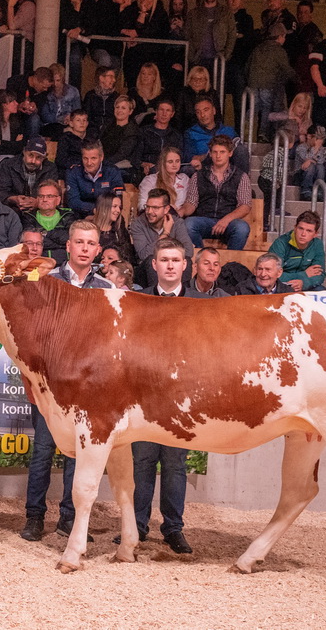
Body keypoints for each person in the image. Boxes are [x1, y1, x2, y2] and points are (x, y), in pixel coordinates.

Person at [20, 220, 112, 542]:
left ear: (97, 249)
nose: (85, 248)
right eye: (80, 242)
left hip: (87, 391)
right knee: (43, 451)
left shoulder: (106, 290)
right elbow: (29, 336)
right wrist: (29, 380)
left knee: (79, 455)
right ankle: (34, 517)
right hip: (49, 387)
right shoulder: (45, 282)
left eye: (91, 243)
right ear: (68, 247)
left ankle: (70, 519)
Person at [126, 238, 197, 555]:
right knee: (140, 463)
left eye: (175, 260)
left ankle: (173, 528)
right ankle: (137, 527)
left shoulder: (200, 307)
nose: (170, 265)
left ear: (184, 265)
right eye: (164, 260)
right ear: (153, 265)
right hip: (144, 398)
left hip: (181, 400)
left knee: (174, 464)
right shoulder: (137, 303)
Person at [181, 135, 251, 250]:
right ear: (210, 153)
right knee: (189, 224)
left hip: (228, 221)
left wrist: (226, 220)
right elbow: (191, 203)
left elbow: (245, 206)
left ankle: (231, 262)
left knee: (242, 228)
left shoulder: (241, 176)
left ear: (230, 153)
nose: (218, 156)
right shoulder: (198, 175)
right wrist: (181, 211)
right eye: (215, 152)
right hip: (204, 219)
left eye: (222, 152)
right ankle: (201, 257)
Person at [131, 186, 194, 282]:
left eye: (155, 208)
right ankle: (156, 296)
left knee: (187, 262)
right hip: (145, 272)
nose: (149, 212)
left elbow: (189, 251)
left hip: (170, 267)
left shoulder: (177, 223)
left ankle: (181, 296)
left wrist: (169, 259)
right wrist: (165, 233)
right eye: (147, 207)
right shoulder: (138, 224)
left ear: (166, 209)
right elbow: (143, 255)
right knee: (151, 261)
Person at [247, 23, 296, 139]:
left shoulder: (258, 48)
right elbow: (286, 69)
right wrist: (296, 79)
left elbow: (248, 65)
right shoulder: (279, 51)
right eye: (284, 36)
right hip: (267, 85)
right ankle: (262, 133)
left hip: (253, 83)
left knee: (253, 107)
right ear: (280, 36)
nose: (285, 39)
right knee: (266, 108)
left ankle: (245, 130)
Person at [185, 0, 236, 75]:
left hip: (219, 60)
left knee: (217, 89)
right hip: (198, 60)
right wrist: (192, 56)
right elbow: (187, 35)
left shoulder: (226, 13)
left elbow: (232, 35)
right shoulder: (193, 14)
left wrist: (225, 55)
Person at [268, 211, 326, 292]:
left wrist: (304, 283)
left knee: (321, 290)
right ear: (295, 228)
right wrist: (304, 275)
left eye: (309, 231)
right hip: (281, 285)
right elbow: (271, 274)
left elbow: (320, 274)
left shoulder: (317, 244)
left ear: (315, 234)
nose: (303, 234)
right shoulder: (280, 243)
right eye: (300, 228)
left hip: (304, 284)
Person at [0, 137, 55, 211]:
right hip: (12, 210)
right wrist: (14, 199)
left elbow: (53, 194)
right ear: (24, 152)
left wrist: (37, 202)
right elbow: (0, 192)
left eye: (38, 157)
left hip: (40, 211)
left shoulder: (50, 169)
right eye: (30, 155)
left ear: (44, 158)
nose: (33, 161)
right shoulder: (7, 165)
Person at [184, 97, 241, 174]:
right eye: (198, 112)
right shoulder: (191, 133)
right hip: (202, 169)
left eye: (206, 110)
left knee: (241, 150)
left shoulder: (229, 131)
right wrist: (206, 156)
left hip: (227, 169)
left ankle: (241, 182)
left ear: (214, 111)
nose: (202, 115)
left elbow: (238, 151)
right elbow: (189, 158)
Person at [65, 141, 123, 214]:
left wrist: (100, 212)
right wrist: (93, 210)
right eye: (85, 158)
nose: (89, 163)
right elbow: (73, 202)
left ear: (101, 157)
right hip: (81, 215)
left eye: (93, 158)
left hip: (106, 214)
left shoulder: (112, 171)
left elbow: (118, 200)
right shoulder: (73, 172)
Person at [138, 100, 184, 175]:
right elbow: (136, 155)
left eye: (168, 111)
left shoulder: (176, 135)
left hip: (170, 169)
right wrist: (143, 164)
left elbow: (180, 156)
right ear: (156, 111)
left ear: (172, 114)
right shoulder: (144, 132)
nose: (164, 114)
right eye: (161, 110)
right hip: (149, 169)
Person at [138, 147, 188, 212]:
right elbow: (142, 204)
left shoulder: (184, 179)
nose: (174, 165)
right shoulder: (150, 180)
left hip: (178, 217)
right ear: (163, 163)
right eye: (170, 162)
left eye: (177, 161)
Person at [101, 95, 140, 177]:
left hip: (122, 165)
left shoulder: (132, 131)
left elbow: (122, 154)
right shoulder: (108, 125)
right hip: (102, 161)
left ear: (130, 111)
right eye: (117, 107)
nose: (119, 110)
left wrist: (101, 163)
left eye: (123, 108)